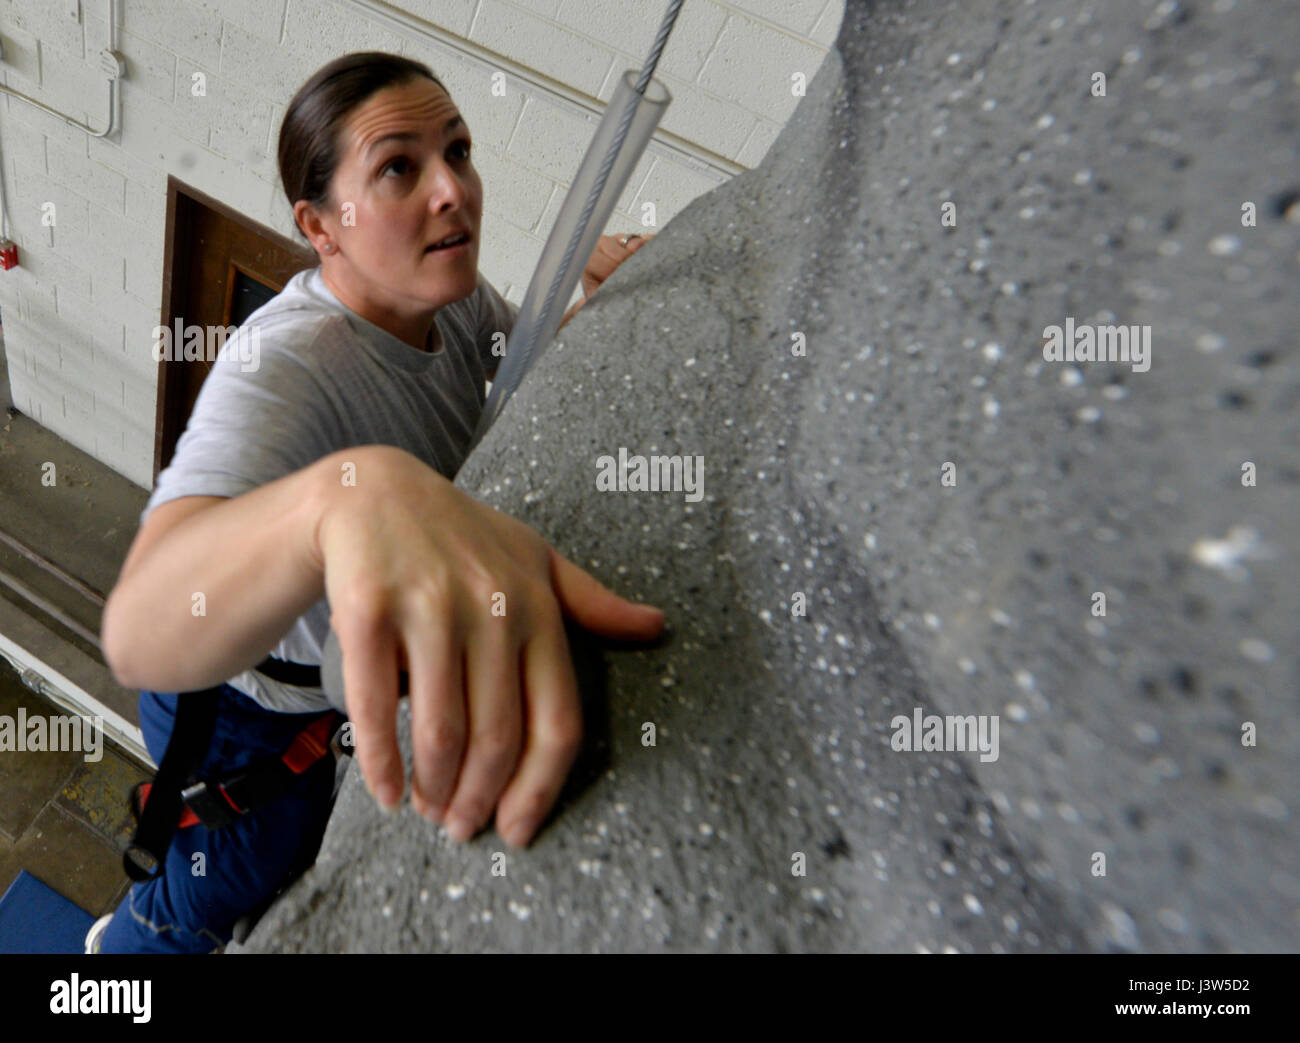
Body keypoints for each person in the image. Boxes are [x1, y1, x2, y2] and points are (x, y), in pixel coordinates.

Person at [91, 51, 662, 953]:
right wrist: (343, 495)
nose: (453, 190)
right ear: (321, 227)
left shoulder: (456, 302)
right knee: (206, 890)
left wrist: (595, 297)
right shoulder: (287, 365)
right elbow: (143, 623)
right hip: (236, 701)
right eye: (400, 165)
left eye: (460, 151)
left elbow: (526, 379)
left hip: (327, 682)